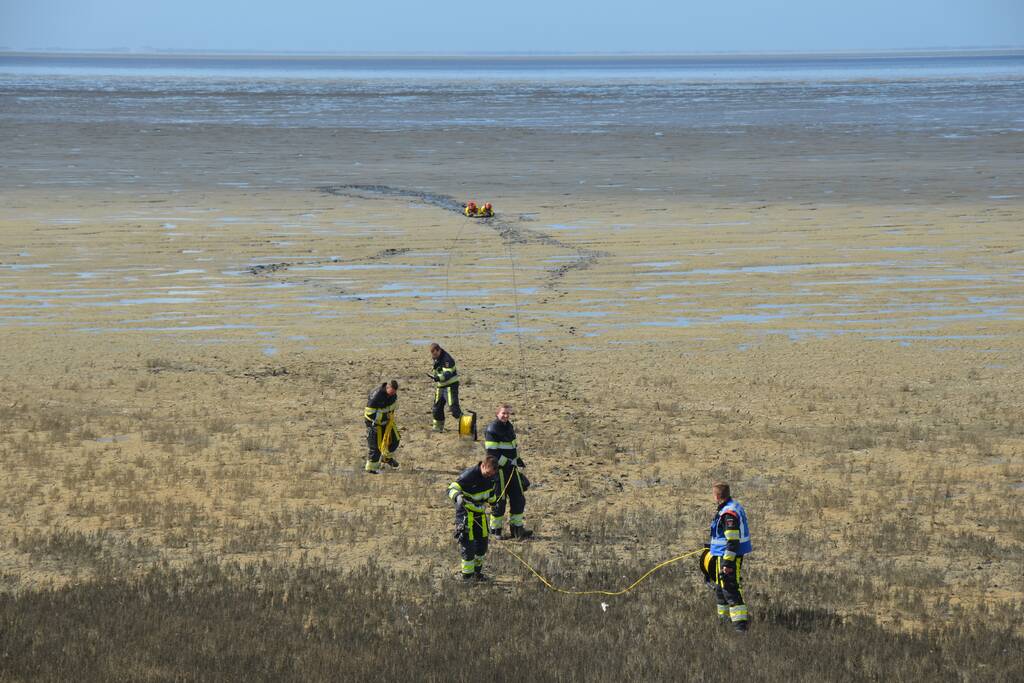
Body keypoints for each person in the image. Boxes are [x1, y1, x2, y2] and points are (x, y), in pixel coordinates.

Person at [705, 482, 752, 632]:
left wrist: (727, 563)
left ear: (717, 496)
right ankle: (723, 621)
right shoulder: (732, 506)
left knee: (730, 589)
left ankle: (740, 628)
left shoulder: (728, 513)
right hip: (722, 554)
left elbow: (732, 541)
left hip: (729, 556)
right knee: (721, 588)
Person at [448, 455, 500, 581]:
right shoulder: (469, 475)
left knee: (482, 545)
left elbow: (490, 494)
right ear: (483, 465)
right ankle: (467, 576)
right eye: (488, 473)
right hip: (465, 514)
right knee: (468, 546)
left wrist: (494, 504)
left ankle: (477, 573)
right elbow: (451, 488)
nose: (489, 476)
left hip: (480, 515)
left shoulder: (491, 478)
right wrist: (457, 497)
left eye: (491, 474)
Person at [485, 404, 532, 539]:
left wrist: (517, 459)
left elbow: (512, 448)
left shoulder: (509, 427)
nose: (506, 416)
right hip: (499, 471)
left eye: (508, 413)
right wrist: (509, 462)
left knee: (519, 499)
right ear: (497, 414)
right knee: (499, 501)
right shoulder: (492, 429)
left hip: (512, 470)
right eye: (503, 413)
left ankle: (517, 530)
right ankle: (495, 530)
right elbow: (492, 454)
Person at [364, 380, 399, 473]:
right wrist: (385, 417)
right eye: (391, 392)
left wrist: (388, 418)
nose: (392, 395)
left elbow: (392, 407)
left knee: (395, 440)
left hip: (387, 422)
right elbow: (370, 413)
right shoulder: (376, 396)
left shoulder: (393, 395)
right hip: (374, 423)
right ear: (387, 387)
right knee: (376, 447)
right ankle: (371, 469)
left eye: (394, 393)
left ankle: (386, 459)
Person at [429, 343, 462, 432]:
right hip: (440, 386)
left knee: (454, 408)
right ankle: (437, 428)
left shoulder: (447, 359)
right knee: (437, 408)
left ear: (439, 350)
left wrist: (438, 378)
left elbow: (448, 374)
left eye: (435, 354)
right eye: (433, 354)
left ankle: (466, 425)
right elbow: (437, 370)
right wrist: (435, 376)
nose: (434, 356)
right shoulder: (436, 358)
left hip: (450, 386)